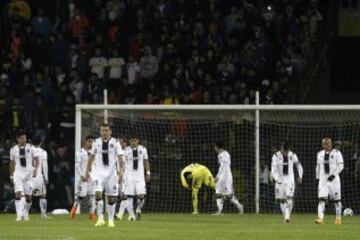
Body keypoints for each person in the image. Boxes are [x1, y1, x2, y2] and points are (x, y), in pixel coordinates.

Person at [83, 124, 124, 227]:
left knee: (111, 199)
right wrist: (87, 172)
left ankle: (110, 220)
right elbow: (91, 157)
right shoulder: (96, 142)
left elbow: (120, 159)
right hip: (98, 173)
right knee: (97, 194)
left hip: (111, 174)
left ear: (110, 131)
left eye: (106, 130)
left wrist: (121, 173)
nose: (104, 132)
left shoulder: (115, 143)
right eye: (102, 131)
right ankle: (100, 219)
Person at [9, 131, 40, 221]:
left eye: (25, 138)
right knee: (18, 193)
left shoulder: (31, 148)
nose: (24, 140)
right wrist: (11, 175)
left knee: (29, 197)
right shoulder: (13, 149)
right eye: (22, 138)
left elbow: (37, 160)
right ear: (17, 139)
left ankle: (26, 212)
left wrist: (35, 171)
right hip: (18, 173)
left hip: (28, 174)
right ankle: (19, 215)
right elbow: (11, 163)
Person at [271, 142, 303, 223]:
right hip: (280, 180)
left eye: (287, 151)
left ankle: (287, 217)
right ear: (280, 149)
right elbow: (273, 170)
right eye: (283, 151)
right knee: (281, 200)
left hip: (290, 180)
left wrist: (300, 175)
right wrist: (276, 178)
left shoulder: (292, 155)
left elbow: (299, 165)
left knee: (289, 198)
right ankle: (286, 217)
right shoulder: (275, 156)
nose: (285, 153)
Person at [315, 137, 344, 225]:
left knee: (337, 201)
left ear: (331, 144)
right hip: (323, 180)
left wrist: (333, 175)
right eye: (325, 144)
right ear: (322, 145)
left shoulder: (337, 153)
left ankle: (338, 218)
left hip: (334, 181)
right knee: (322, 200)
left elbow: (341, 166)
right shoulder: (319, 154)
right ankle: (320, 219)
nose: (327, 145)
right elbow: (318, 166)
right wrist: (317, 178)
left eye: (328, 143)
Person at [122, 135, 150, 220]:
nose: (133, 142)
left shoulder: (143, 149)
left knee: (141, 196)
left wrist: (148, 173)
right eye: (131, 141)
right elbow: (122, 164)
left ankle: (138, 210)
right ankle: (131, 215)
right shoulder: (126, 151)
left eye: (135, 140)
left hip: (140, 177)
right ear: (129, 141)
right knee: (129, 196)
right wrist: (122, 175)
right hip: (129, 176)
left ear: (137, 140)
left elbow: (146, 161)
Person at [70, 135, 96, 220]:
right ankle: (74, 209)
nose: (91, 143)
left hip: (92, 177)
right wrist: (81, 175)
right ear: (85, 142)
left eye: (92, 141)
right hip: (83, 178)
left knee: (93, 195)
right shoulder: (80, 152)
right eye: (89, 141)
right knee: (82, 195)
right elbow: (77, 165)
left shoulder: (95, 152)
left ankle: (91, 214)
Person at [213, 142, 244, 215]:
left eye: (214, 147)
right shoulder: (222, 154)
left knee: (229, 195)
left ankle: (239, 206)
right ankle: (219, 210)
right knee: (218, 192)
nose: (214, 148)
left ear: (217, 147)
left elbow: (223, 166)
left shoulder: (224, 155)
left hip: (226, 177)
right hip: (222, 176)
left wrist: (217, 176)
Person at [31, 136, 50, 219]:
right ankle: (43, 214)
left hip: (27, 176)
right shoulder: (43, 152)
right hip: (38, 176)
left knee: (27, 195)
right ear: (41, 142)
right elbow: (44, 166)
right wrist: (46, 178)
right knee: (42, 195)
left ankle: (23, 213)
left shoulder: (27, 150)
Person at [116, 137, 131, 220]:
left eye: (122, 143)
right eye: (120, 143)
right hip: (116, 176)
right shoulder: (116, 153)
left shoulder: (127, 153)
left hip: (125, 176)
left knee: (124, 196)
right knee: (120, 196)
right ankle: (131, 215)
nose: (121, 144)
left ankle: (120, 215)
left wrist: (122, 175)